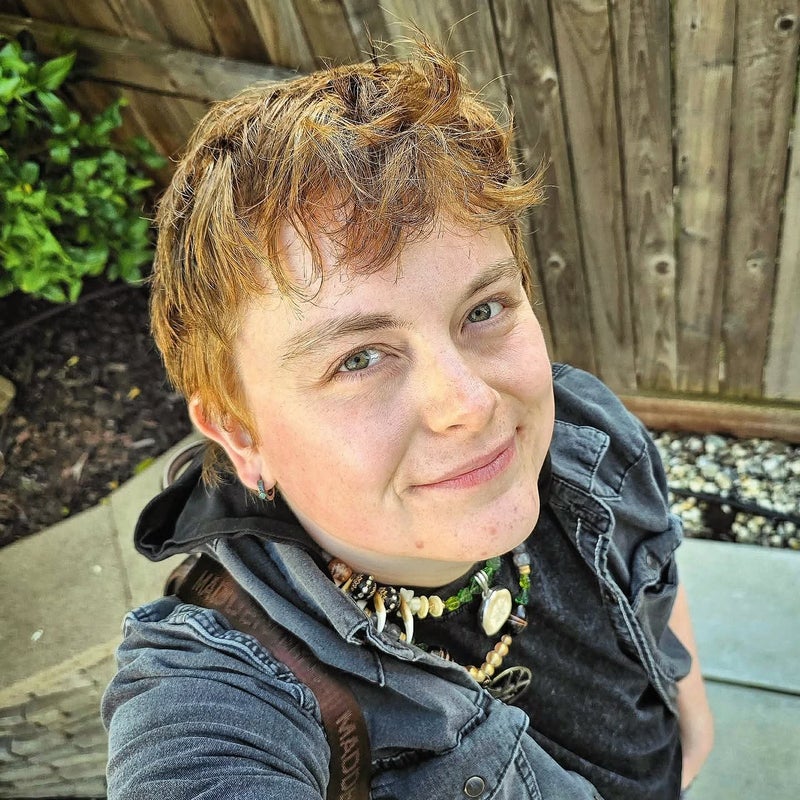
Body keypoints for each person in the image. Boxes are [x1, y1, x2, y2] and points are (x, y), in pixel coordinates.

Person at [101, 41, 714, 799]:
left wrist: (691, 719)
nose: (471, 405)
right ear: (240, 434)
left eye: (483, 310)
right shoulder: (223, 694)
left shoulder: (586, 431)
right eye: (359, 358)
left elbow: (652, 578)